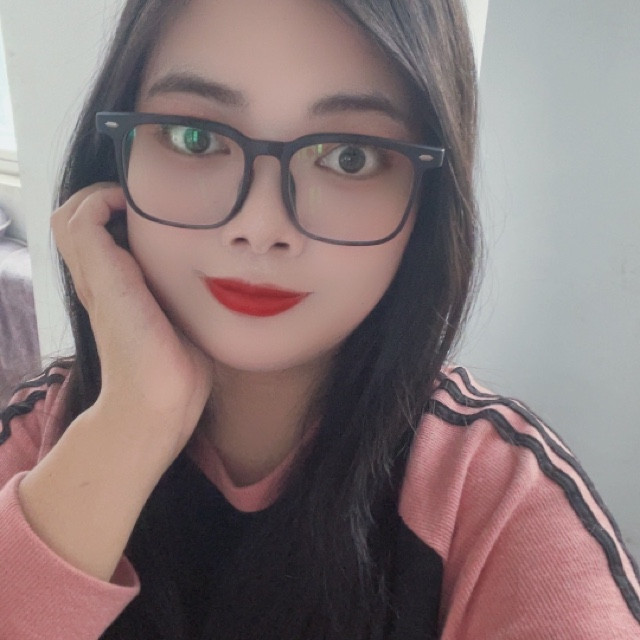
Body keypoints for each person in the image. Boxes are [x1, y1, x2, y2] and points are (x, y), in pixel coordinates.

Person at [1, 0, 639, 638]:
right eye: (196, 137)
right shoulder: (38, 440)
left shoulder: (498, 504)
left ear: (428, 199)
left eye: (349, 156)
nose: (260, 226)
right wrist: (132, 423)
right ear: (115, 157)